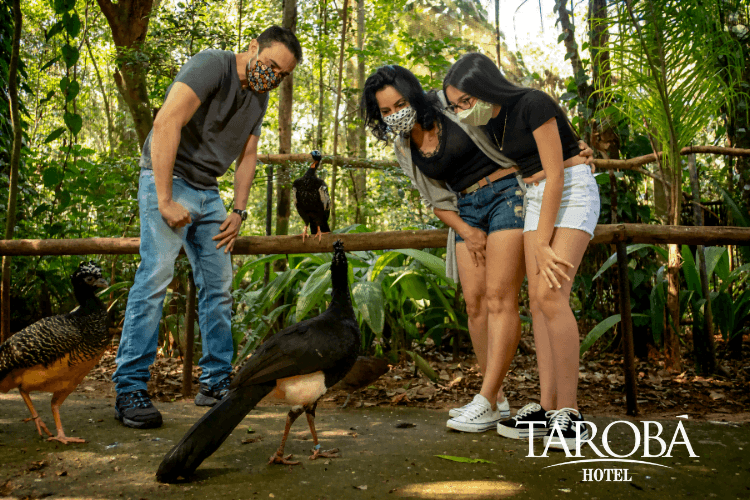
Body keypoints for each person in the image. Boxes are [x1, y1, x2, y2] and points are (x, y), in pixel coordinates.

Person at [360, 65, 592, 434]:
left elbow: (514, 123)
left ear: (414, 96)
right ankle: (496, 400)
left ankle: (486, 398)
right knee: (474, 303)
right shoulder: (402, 144)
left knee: (502, 297)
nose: (395, 114)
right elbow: (434, 198)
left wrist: (568, 148)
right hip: (465, 210)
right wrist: (467, 232)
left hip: (508, 194)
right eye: (385, 111)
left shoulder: (452, 105)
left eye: (400, 104)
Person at [112, 26, 302, 429]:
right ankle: (130, 387)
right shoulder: (211, 65)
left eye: (282, 75)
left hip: (209, 192)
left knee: (219, 286)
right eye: (270, 66)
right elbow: (167, 122)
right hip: (168, 177)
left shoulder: (260, 97)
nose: (274, 77)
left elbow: (249, 153)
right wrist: (164, 200)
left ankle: (216, 382)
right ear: (252, 47)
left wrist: (239, 209)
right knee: (156, 275)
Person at [443, 53, 600, 450]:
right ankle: (547, 408)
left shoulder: (533, 103)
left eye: (466, 101)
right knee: (535, 299)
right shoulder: (491, 122)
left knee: (551, 294)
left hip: (571, 192)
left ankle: (571, 412)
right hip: (534, 195)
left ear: (484, 87)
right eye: (456, 105)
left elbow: (560, 171)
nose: (463, 111)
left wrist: (544, 243)